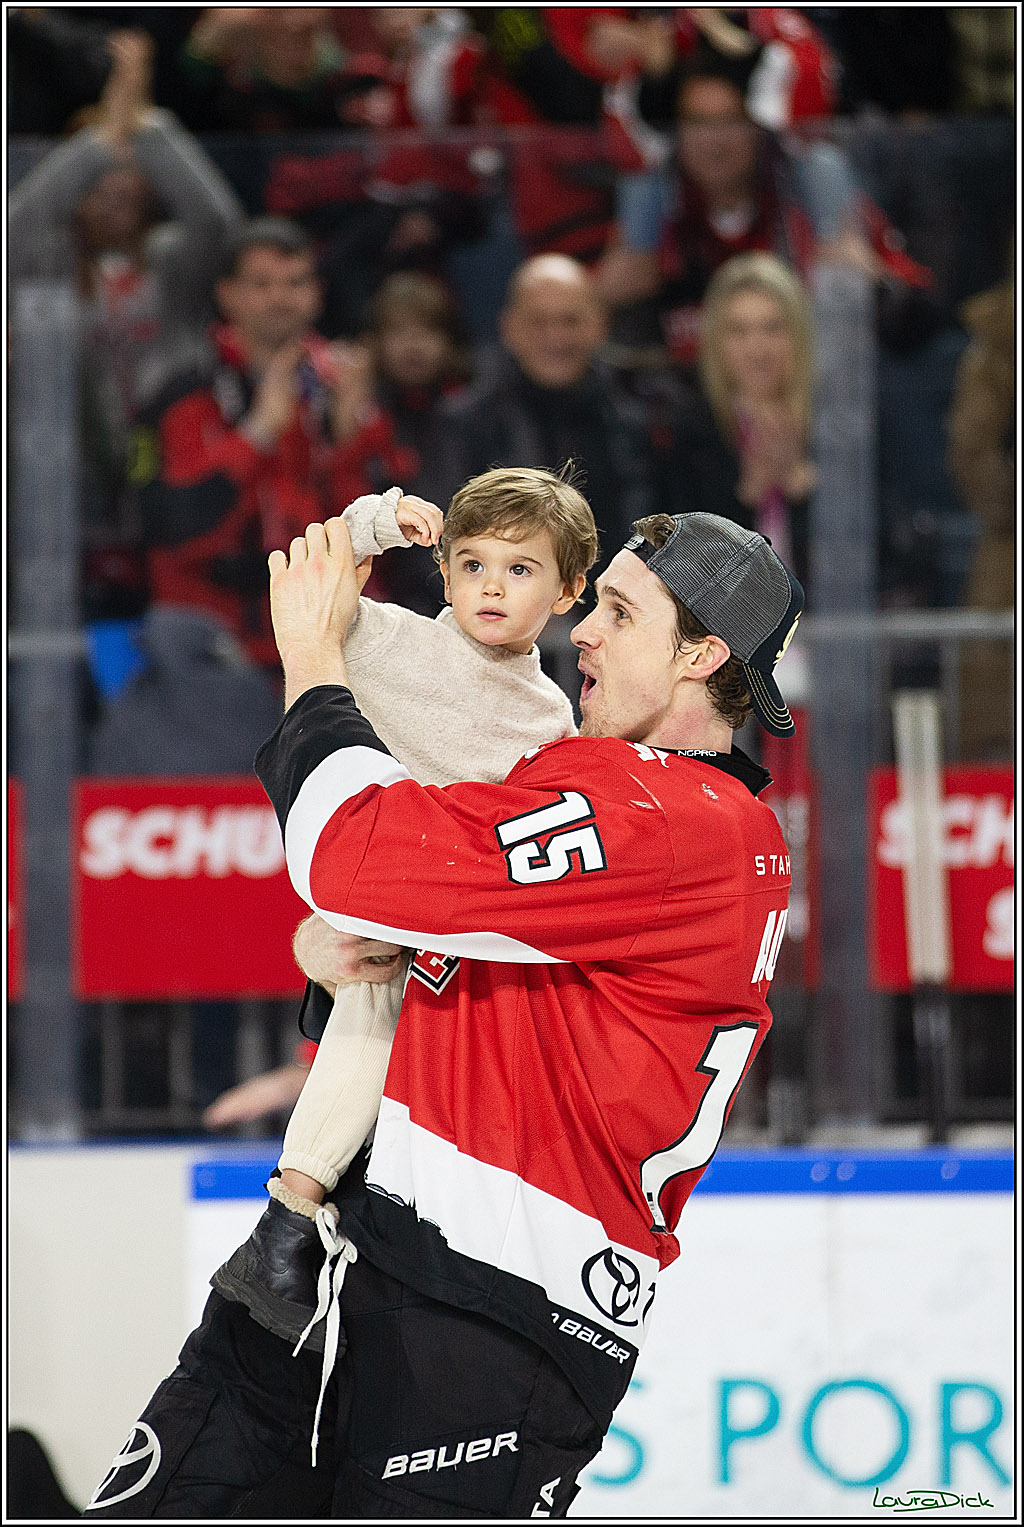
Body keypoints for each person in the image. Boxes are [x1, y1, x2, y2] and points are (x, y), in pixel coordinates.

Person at [87, 502, 802, 1519]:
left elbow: (354, 855)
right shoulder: (619, 792)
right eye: (590, 605)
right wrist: (333, 958)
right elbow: (423, 928)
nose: (582, 631)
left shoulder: (672, 819)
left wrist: (312, 661)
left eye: (620, 614)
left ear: (702, 655)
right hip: (350, 1248)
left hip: (487, 1319)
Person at [8, 29, 244, 623]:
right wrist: (102, 138)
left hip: (173, 470)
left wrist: (146, 126)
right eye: (95, 181)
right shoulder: (46, 264)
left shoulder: (173, 262)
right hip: (67, 476)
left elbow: (219, 225)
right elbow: (24, 218)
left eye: (125, 177)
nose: (112, 192)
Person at [132, 217, 411, 674]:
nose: (281, 298)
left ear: (317, 293)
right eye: (262, 284)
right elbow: (176, 527)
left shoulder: (349, 388)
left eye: (296, 282)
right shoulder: (183, 395)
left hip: (328, 639)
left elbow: (391, 533)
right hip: (214, 644)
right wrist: (256, 435)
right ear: (227, 295)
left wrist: (347, 439)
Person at [434, 253, 656, 568]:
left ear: (600, 325)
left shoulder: (638, 418)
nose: (556, 338)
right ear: (509, 328)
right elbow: (443, 539)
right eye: (538, 322)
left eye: (570, 320)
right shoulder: (465, 424)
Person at [664, 251, 815, 587]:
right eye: (739, 331)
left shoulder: (835, 427)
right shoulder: (693, 432)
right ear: (717, 342)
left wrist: (803, 489)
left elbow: (892, 554)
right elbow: (677, 562)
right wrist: (746, 493)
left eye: (773, 328)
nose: (757, 348)